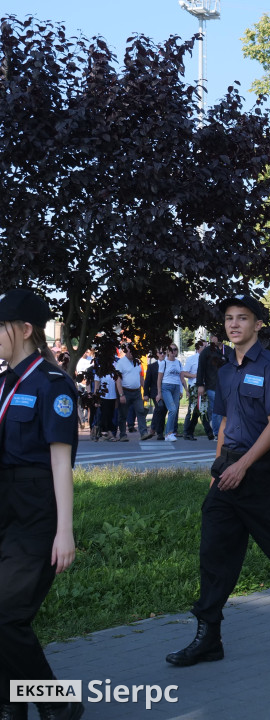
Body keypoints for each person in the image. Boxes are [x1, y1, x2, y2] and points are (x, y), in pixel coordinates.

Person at [166, 294, 270, 668]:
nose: (234, 325)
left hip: (259, 476)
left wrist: (242, 466)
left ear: (258, 324)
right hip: (227, 473)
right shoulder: (224, 369)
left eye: (242, 318)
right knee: (214, 554)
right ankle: (208, 636)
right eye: (229, 318)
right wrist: (218, 470)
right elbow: (225, 423)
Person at [0, 289, 83, 720]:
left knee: (7, 615)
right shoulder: (4, 383)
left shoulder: (54, 386)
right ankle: (11, 705)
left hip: (36, 512)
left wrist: (63, 530)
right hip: (5, 506)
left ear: (25, 330)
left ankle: (59, 703)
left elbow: (60, 463)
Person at [195, 335, 227, 438]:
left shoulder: (229, 351)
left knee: (225, 410)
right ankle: (218, 433)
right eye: (214, 336)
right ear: (211, 338)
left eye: (218, 336)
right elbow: (201, 369)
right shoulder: (207, 352)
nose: (216, 338)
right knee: (216, 409)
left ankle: (222, 430)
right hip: (212, 385)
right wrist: (200, 385)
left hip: (226, 386)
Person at [182, 340, 214, 442]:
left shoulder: (209, 358)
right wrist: (196, 376)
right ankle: (190, 432)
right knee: (194, 410)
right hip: (195, 387)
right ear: (198, 348)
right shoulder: (192, 359)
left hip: (205, 387)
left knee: (202, 410)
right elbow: (184, 373)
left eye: (207, 346)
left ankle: (191, 432)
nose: (206, 348)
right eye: (204, 346)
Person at [115, 343, 147, 439]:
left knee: (140, 411)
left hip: (137, 391)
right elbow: (118, 380)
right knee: (123, 414)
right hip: (125, 391)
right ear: (126, 351)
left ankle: (144, 433)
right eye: (130, 351)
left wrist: (146, 391)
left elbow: (141, 377)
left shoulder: (137, 362)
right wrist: (121, 394)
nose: (132, 353)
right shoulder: (121, 363)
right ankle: (123, 434)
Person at [92, 347, 123, 443]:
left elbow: (118, 382)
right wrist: (95, 399)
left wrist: (120, 395)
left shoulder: (114, 369)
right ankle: (107, 433)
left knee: (109, 415)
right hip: (103, 397)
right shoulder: (99, 371)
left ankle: (105, 433)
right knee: (105, 415)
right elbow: (97, 386)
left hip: (112, 396)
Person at [156, 344, 185, 442]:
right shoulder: (163, 363)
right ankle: (168, 433)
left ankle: (170, 432)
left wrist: (182, 390)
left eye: (175, 349)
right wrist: (159, 393)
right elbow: (159, 379)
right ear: (167, 352)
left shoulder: (179, 363)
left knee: (175, 410)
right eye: (171, 350)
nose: (173, 351)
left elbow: (181, 378)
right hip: (166, 387)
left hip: (176, 387)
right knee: (172, 409)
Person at [141, 348, 164, 440]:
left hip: (166, 392)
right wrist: (146, 394)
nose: (163, 354)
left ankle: (158, 431)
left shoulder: (168, 365)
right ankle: (155, 430)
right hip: (155, 392)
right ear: (157, 354)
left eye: (164, 353)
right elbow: (147, 382)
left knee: (161, 412)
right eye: (160, 352)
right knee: (159, 408)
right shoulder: (152, 366)